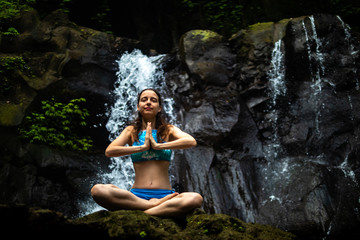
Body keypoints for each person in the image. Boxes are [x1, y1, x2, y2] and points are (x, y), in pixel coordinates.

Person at [91, 88, 203, 217]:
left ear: (159, 108)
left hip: (165, 195)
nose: (148, 102)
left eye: (153, 100)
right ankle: (154, 207)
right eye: (144, 100)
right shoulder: (131, 131)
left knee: (196, 198)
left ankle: (143, 213)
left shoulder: (168, 130)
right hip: (136, 196)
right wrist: (141, 148)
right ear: (138, 107)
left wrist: (158, 146)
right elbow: (110, 151)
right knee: (98, 190)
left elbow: (191, 141)